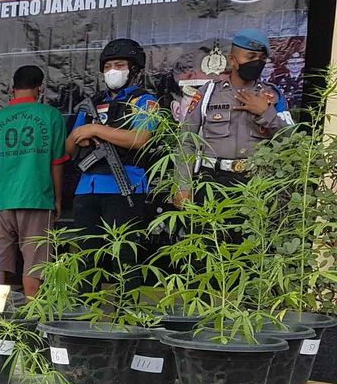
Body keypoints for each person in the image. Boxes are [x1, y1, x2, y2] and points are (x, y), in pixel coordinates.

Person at [64, 38, 158, 274]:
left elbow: (141, 139)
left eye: (119, 65)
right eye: (107, 67)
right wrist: (78, 135)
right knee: (86, 259)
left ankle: (125, 309)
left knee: (125, 260)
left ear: (134, 69)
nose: (112, 71)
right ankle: (84, 307)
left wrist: (95, 130)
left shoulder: (144, 101)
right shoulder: (91, 104)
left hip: (126, 187)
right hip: (88, 188)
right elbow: (68, 150)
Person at [180, 28, 293, 202]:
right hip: (211, 183)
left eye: (262, 58)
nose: (257, 62)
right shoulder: (208, 93)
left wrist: (266, 113)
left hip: (256, 186)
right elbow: (187, 141)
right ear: (232, 59)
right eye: (250, 57)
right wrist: (183, 185)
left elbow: (292, 142)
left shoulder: (273, 96)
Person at [0, 65, 67, 298]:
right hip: (37, 199)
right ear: (40, 89)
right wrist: (58, 198)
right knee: (35, 263)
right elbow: (57, 162)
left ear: (12, 90)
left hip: (0, 201)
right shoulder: (51, 117)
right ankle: (32, 321)